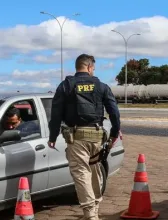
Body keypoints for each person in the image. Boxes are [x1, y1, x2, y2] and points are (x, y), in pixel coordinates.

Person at [47, 54, 121, 220]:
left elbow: (56, 115)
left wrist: (52, 136)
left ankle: (90, 215)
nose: (93, 71)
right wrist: (115, 133)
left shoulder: (66, 86)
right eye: (93, 68)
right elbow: (114, 112)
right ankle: (94, 208)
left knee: (81, 173)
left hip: (77, 138)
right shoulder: (101, 86)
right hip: (97, 137)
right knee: (94, 170)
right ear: (88, 67)